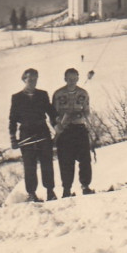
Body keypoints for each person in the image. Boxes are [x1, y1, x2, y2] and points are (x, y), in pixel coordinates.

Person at [8, 68, 56, 203]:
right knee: (30, 165)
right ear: (24, 79)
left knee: (47, 164)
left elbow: (51, 113)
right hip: (26, 134)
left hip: (42, 132)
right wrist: (13, 138)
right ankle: (32, 194)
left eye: (35, 79)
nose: (33, 82)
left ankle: (50, 191)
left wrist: (58, 127)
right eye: (30, 79)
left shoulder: (42, 95)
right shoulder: (16, 98)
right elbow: (12, 119)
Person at [52, 68, 94, 197]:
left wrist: (80, 115)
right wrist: (60, 122)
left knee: (85, 159)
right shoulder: (58, 94)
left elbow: (87, 112)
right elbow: (53, 114)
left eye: (74, 79)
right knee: (66, 161)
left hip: (79, 129)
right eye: (69, 79)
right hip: (65, 131)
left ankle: (85, 186)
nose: (72, 81)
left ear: (78, 78)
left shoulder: (83, 93)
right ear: (65, 79)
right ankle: (66, 190)